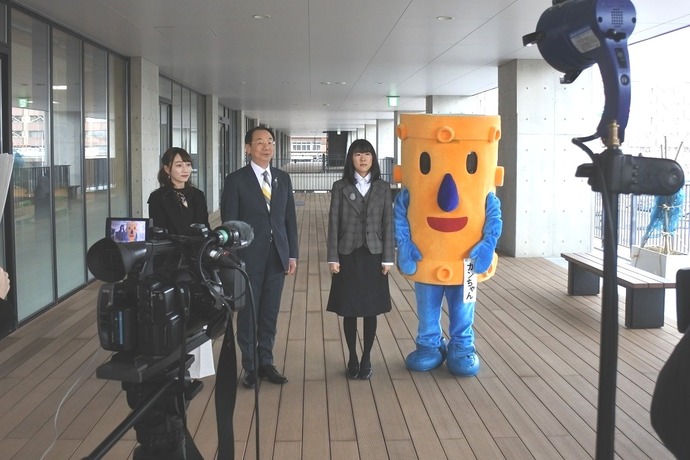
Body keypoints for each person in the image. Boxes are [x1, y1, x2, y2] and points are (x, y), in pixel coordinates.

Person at [221, 126, 299, 388]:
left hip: (277, 256)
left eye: (270, 142)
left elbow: (289, 220)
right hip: (248, 259)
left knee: (269, 313)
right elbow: (230, 223)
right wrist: (234, 258)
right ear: (247, 148)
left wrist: (293, 255)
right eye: (259, 142)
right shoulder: (235, 180)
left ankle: (266, 361)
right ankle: (250, 366)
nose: (266, 147)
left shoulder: (282, 178)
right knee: (248, 315)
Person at [326, 139, 394, 379]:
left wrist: (388, 258)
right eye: (357, 155)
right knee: (349, 309)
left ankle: (366, 359)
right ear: (350, 159)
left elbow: (388, 224)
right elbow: (333, 223)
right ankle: (352, 358)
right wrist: (332, 257)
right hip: (347, 254)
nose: (363, 159)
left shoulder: (383, 188)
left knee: (370, 310)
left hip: (374, 256)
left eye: (367, 154)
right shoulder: (340, 186)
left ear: (373, 158)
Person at [147, 147, 210, 236]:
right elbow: (158, 233)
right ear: (167, 169)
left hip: (200, 248)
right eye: (179, 165)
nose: (185, 170)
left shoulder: (198, 195)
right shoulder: (157, 197)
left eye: (188, 164)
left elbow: (206, 227)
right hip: (171, 248)